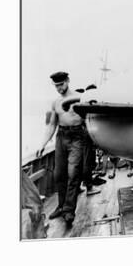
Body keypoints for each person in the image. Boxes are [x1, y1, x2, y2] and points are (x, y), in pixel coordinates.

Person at [36, 71, 84, 226]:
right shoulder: (54, 103)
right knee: (58, 175)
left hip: (77, 137)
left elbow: (89, 119)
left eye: (61, 84)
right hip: (60, 137)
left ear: (68, 81)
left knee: (73, 173)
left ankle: (69, 210)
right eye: (56, 86)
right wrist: (42, 144)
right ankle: (61, 206)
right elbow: (50, 125)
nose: (59, 88)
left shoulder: (80, 98)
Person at [80, 84, 101, 196]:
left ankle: (79, 185)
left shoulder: (81, 102)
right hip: (86, 134)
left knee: (79, 161)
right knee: (87, 161)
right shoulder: (91, 103)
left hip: (78, 135)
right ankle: (89, 186)